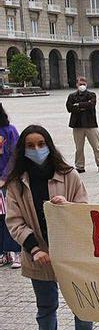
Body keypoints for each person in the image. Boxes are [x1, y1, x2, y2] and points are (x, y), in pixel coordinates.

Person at [4, 125, 93, 330]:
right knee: (45, 305)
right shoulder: (16, 183)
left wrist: (67, 206)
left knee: (80, 302)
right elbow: (14, 221)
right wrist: (34, 249)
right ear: (23, 149)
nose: (36, 149)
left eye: (41, 144)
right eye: (30, 146)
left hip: (70, 253)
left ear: (49, 145)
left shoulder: (68, 175)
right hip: (38, 255)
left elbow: (84, 210)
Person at [65, 76, 99, 174]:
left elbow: (91, 104)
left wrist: (78, 105)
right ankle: (80, 166)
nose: (82, 85)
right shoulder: (72, 96)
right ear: (76, 84)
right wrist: (84, 105)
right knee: (79, 148)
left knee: (97, 147)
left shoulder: (91, 94)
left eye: (83, 84)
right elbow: (69, 108)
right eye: (80, 84)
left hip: (90, 124)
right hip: (77, 125)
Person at [0, 103, 21, 269]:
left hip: (8, 181)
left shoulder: (9, 130)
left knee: (11, 215)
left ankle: (16, 251)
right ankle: (3, 252)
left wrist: (5, 177)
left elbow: (15, 155)